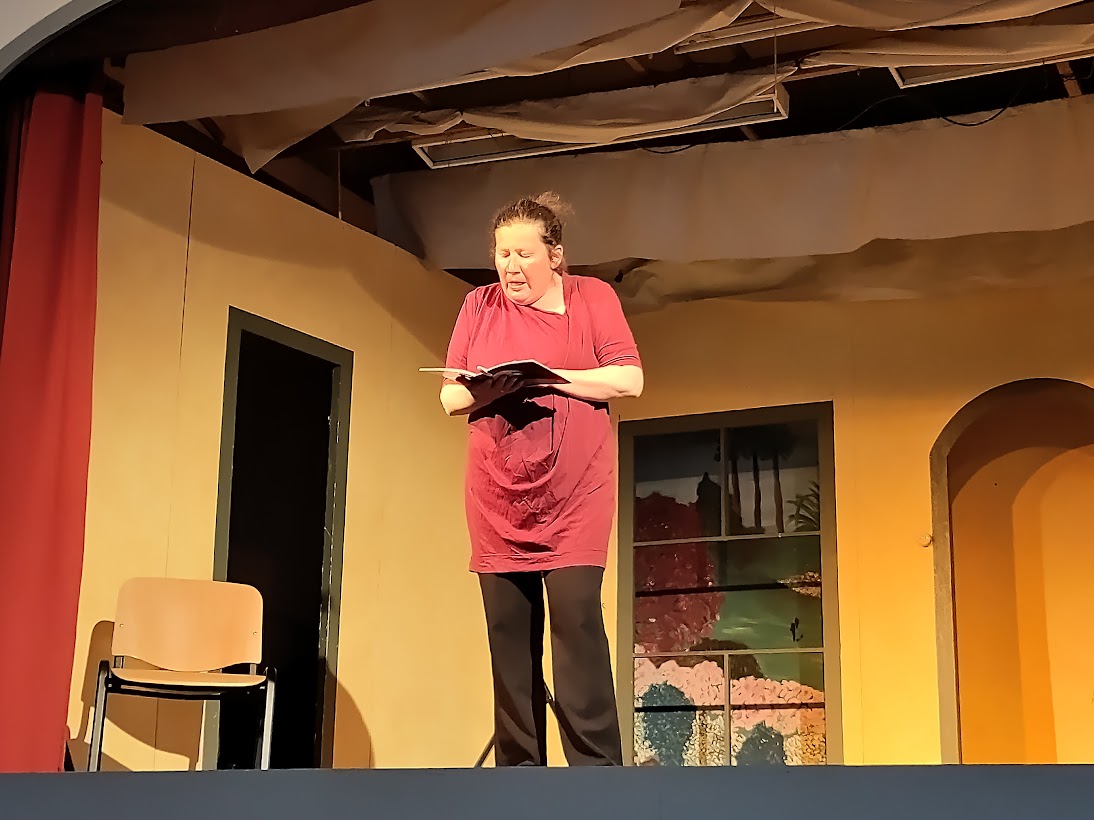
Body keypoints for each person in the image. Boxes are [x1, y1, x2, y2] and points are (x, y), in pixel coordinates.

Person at [440, 193, 643, 767]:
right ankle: (520, 776)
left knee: (576, 621)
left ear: (554, 255)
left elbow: (628, 380)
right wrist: (494, 387)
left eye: (524, 254)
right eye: (502, 254)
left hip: (576, 490)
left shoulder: (591, 297)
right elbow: (451, 396)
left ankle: (596, 776)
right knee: (507, 635)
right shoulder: (478, 305)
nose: (510, 266)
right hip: (498, 492)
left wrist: (546, 378)